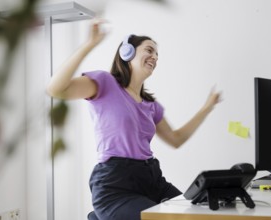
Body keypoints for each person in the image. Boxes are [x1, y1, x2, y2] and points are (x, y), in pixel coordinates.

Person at [46, 19, 222, 220]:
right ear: (127, 53)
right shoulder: (105, 83)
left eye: (157, 54)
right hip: (116, 186)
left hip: (153, 180)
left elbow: (176, 139)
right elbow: (56, 89)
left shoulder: (151, 105)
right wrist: (89, 44)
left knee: (195, 214)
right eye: (149, 50)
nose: (154, 57)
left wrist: (207, 108)